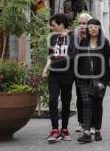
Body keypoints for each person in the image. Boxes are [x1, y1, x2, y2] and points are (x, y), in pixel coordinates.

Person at [76, 19, 110, 143]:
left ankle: (97, 130)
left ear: (99, 28)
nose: (93, 29)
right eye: (90, 26)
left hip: (100, 79)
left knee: (97, 104)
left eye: (95, 27)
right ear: (87, 28)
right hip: (84, 78)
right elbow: (79, 60)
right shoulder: (83, 42)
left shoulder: (104, 42)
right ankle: (86, 132)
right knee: (86, 103)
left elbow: (109, 62)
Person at [42, 14, 77, 143]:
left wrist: (52, 65)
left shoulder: (73, 37)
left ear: (61, 25)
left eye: (54, 25)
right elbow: (50, 55)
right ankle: (55, 129)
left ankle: (65, 128)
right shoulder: (53, 38)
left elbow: (71, 57)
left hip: (67, 74)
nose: (52, 27)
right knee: (52, 100)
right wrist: (46, 68)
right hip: (54, 74)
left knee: (66, 100)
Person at [75, 13, 92, 133]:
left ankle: (92, 124)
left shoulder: (95, 36)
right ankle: (81, 122)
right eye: (79, 23)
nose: (81, 26)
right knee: (80, 98)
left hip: (93, 73)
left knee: (93, 98)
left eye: (84, 23)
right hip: (78, 71)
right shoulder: (76, 36)